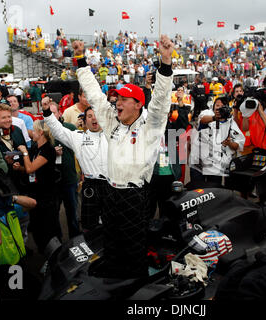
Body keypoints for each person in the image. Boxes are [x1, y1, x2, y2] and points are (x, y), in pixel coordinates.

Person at [72, 34, 174, 279]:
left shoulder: (151, 125)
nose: (116, 101)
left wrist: (166, 61)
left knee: (133, 249)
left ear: (138, 104)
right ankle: (112, 285)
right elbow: (95, 93)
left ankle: (135, 289)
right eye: (117, 97)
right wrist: (79, 59)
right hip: (110, 193)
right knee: (112, 245)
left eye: (124, 99)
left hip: (135, 196)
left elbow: (160, 100)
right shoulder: (111, 120)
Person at [42, 97, 108, 233]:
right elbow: (58, 130)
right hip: (90, 186)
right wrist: (47, 112)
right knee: (90, 226)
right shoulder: (78, 137)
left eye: (96, 116)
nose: (94, 119)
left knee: (111, 223)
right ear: (84, 120)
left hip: (111, 185)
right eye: (90, 116)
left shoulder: (112, 136)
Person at [14, 120, 62, 254]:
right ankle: (43, 252)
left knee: (49, 228)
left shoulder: (48, 150)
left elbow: (31, 169)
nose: (31, 133)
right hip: (36, 194)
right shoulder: (36, 147)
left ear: (41, 133)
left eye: (34, 130)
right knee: (37, 227)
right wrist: (20, 168)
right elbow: (31, 169)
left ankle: (55, 255)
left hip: (47, 196)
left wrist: (24, 153)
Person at [189, 96, 245, 187]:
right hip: (198, 163)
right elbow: (202, 121)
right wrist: (215, 118)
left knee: (213, 193)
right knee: (197, 192)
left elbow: (238, 144)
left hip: (215, 167)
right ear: (213, 106)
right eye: (217, 105)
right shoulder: (207, 113)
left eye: (222, 106)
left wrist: (229, 143)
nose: (219, 108)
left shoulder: (230, 122)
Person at [45, 100, 80, 238]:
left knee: (72, 211)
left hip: (69, 177)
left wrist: (81, 172)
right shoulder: (43, 131)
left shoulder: (70, 128)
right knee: (54, 214)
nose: (52, 116)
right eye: (50, 113)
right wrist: (51, 152)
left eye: (54, 113)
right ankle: (58, 242)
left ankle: (76, 238)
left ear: (60, 113)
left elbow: (81, 150)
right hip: (52, 180)